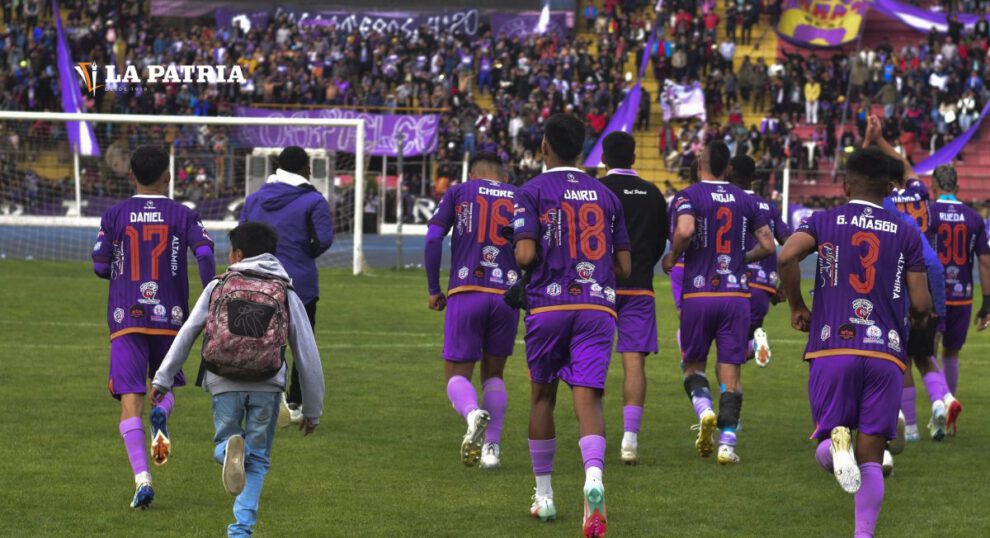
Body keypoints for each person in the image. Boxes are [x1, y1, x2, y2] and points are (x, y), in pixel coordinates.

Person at [777, 147, 932, 538]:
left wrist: (797, 305)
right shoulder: (906, 232)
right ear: (888, 188)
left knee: (830, 441)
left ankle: (835, 447)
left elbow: (785, 256)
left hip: (832, 347)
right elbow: (920, 303)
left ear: (846, 183)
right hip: (885, 353)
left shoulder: (825, 220)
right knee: (872, 459)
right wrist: (913, 320)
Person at [151, 222, 325, 537]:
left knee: (225, 440)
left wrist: (162, 379)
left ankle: (227, 450)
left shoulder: (219, 285)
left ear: (238, 253)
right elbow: (307, 351)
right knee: (257, 461)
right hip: (267, 384)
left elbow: (189, 331)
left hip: (223, 380)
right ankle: (240, 530)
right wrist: (312, 409)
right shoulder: (284, 291)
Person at [511, 113, 631, 536]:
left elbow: (525, 256)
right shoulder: (606, 195)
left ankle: (544, 496)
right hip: (597, 306)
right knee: (589, 399)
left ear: (544, 148)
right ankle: (594, 477)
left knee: (542, 397)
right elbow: (624, 264)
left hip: (549, 306)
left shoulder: (530, 192)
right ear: (582, 150)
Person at [91, 145, 216, 508]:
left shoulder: (115, 214)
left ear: (131, 175)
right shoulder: (184, 214)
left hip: (126, 318)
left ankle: (142, 479)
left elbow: (99, 267)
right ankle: (163, 413)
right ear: (168, 176)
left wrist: (121, 266)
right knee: (163, 387)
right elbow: (205, 254)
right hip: (171, 317)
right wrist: (209, 295)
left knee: (131, 400)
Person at [661, 141, 775, 465]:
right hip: (735, 296)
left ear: (700, 162)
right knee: (732, 377)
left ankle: (704, 409)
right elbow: (767, 245)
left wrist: (673, 255)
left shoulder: (688, 196)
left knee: (693, 367)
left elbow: (685, 229)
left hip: (698, 295)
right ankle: (727, 445)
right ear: (728, 169)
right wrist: (742, 257)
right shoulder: (746, 199)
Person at [864, 115, 962, 441]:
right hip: (931, 268)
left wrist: (869, 141)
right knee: (925, 348)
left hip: (905, 273)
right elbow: (905, 163)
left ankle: (912, 428)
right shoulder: (919, 192)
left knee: (902, 351)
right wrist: (881, 141)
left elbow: (861, 174)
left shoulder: (884, 202)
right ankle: (942, 400)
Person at [424, 151, 520, 469]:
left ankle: (472, 414)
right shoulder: (520, 196)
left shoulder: (459, 192)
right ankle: (492, 449)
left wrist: (434, 289)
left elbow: (433, 238)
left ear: (472, 176)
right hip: (507, 295)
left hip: (467, 291)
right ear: (505, 178)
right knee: (494, 374)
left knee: (456, 376)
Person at [240, 146, 333, 423]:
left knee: (258, 342)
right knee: (302, 347)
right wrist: (305, 254)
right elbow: (325, 239)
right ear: (306, 169)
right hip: (298, 282)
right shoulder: (313, 200)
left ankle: (259, 400)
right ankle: (295, 402)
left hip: (257, 280)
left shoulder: (254, 199)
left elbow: (241, 235)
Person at [598, 132, 667, 465]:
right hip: (639, 284)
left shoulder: (596, 189)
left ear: (604, 158)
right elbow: (658, 243)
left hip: (597, 286)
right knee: (634, 361)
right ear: (635, 158)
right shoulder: (653, 194)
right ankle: (630, 440)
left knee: (591, 358)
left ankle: (592, 434)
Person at [929, 165, 990, 395]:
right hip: (962, 297)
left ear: (933, 186)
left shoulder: (929, 213)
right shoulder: (974, 218)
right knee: (952, 353)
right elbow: (985, 261)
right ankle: (950, 403)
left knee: (927, 352)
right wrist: (987, 303)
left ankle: (940, 403)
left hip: (934, 296)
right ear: (957, 187)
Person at [728, 155, 791, 367]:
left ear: (728, 172)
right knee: (740, 339)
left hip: (733, 281)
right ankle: (754, 338)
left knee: (729, 345)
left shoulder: (726, 201)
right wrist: (783, 285)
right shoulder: (768, 207)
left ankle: (753, 343)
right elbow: (791, 244)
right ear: (754, 177)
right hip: (764, 284)